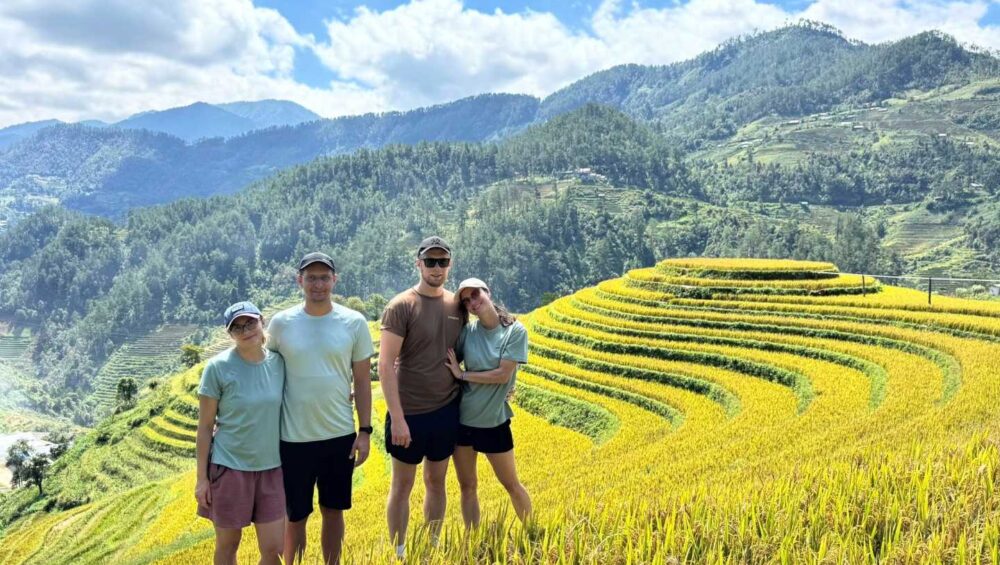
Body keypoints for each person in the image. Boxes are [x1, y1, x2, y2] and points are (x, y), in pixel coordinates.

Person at [267, 252, 375, 565]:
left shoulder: (353, 322)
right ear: (299, 280)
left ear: (334, 280)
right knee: (295, 516)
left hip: (339, 436)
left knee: (333, 510)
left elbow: (362, 381)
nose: (318, 284)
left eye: (324, 277)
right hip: (293, 439)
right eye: (311, 277)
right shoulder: (281, 324)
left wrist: (365, 431)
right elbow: (265, 373)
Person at [379, 236, 464, 559]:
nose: (437, 268)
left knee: (437, 482)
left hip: (445, 410)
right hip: (409, 413)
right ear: (418, 264)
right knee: (402, 486)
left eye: (442, 262)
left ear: (450, 265)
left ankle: (432, 547)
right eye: (430, 262)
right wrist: (397, 418)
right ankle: (400, 552)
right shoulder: (401, 305)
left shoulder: (457, 304)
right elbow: (385, 365)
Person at [195, 301, 286, 565]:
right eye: (237, 327)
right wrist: (202, 479)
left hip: (273, 468)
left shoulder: (279, 363)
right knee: (228, 546)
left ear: (262, 321)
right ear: (230, 334)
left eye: (250, 323)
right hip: (230, 467)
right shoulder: (217, 368)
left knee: (274, 549)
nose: (245, 330)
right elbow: (204, 427)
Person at [445, 278, 532, 527]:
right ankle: (474, 540)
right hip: (463, 421)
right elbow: (445, 359)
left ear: (487, 292)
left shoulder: (515, 332)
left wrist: (462, 375)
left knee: (511, 484)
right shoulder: (468, 333)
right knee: (468, 486)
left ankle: (533, 532)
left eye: (476, 295)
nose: (473, 302)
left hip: (494, 421)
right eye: (466, 300)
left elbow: (502, 375)